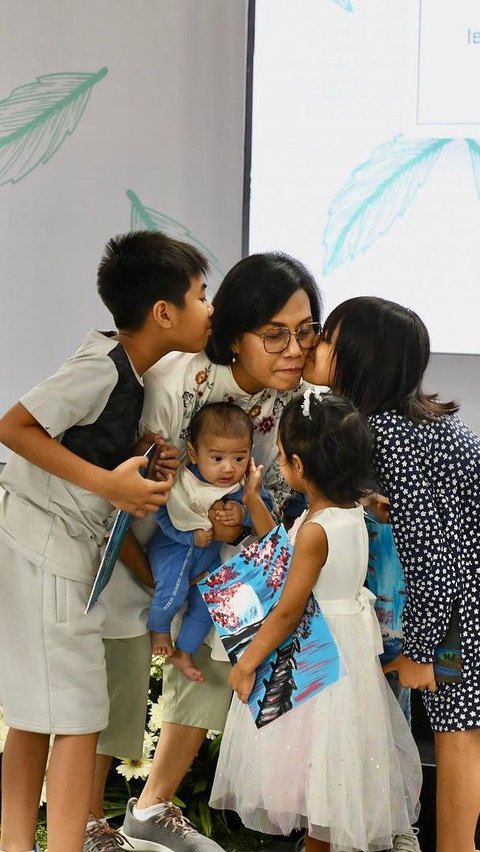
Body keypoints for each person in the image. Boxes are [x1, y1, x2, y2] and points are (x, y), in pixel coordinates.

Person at [0, 229, 213, 852]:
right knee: (78, 717)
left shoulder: (128, 373)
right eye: (203, 296)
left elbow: (78, 441)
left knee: (39, 720)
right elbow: (15, 427)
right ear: (164, 312)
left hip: (52, 552)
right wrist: (109, 485)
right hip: (47, 552)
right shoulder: (100, 366)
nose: (211, 310)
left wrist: (141, 459)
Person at [118, 251, 322, 851]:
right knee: (145, 666)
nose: (295, 349)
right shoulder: (179, 380)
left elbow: (281, 508)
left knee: (222, 665)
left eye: (306, 332)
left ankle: (154, 807)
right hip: (151, 543)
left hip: (241, 552)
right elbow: (136, 482)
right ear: (234, 335)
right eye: (275, 334)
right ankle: (114, 814)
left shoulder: (302, 400)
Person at [303, 296, 480, 852]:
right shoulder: (415, 424)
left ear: (359, 359)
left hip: (460, 610)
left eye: (326, 338)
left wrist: (423, 652)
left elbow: (434, 561)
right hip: (460, 599)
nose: (313, 345)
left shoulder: (389, 435)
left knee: (456, 736)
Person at [209, 391, 422, 852]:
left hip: (317, 656)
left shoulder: (315, 529)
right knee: (328, 779)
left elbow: (288, 609)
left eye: (282, 457)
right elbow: (284, 556)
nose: (280, 463)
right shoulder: (347, 512)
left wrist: (248, 664)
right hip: (344, 653)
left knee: (316, 771)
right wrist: (254, 501)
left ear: (300, 467)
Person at [148, 402, 272, 683]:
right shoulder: (183, 480)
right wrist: (188, 537)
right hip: (175, 550)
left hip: (208, 557)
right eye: (217, 458)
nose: (228, 468)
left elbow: (265, 509)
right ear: (193, 453)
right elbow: (162, 515)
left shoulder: (245, 485)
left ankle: (184, 651)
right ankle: (159, 629)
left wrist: (242, 512)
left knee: (210, 604)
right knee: (173, 590)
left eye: (239, 459)